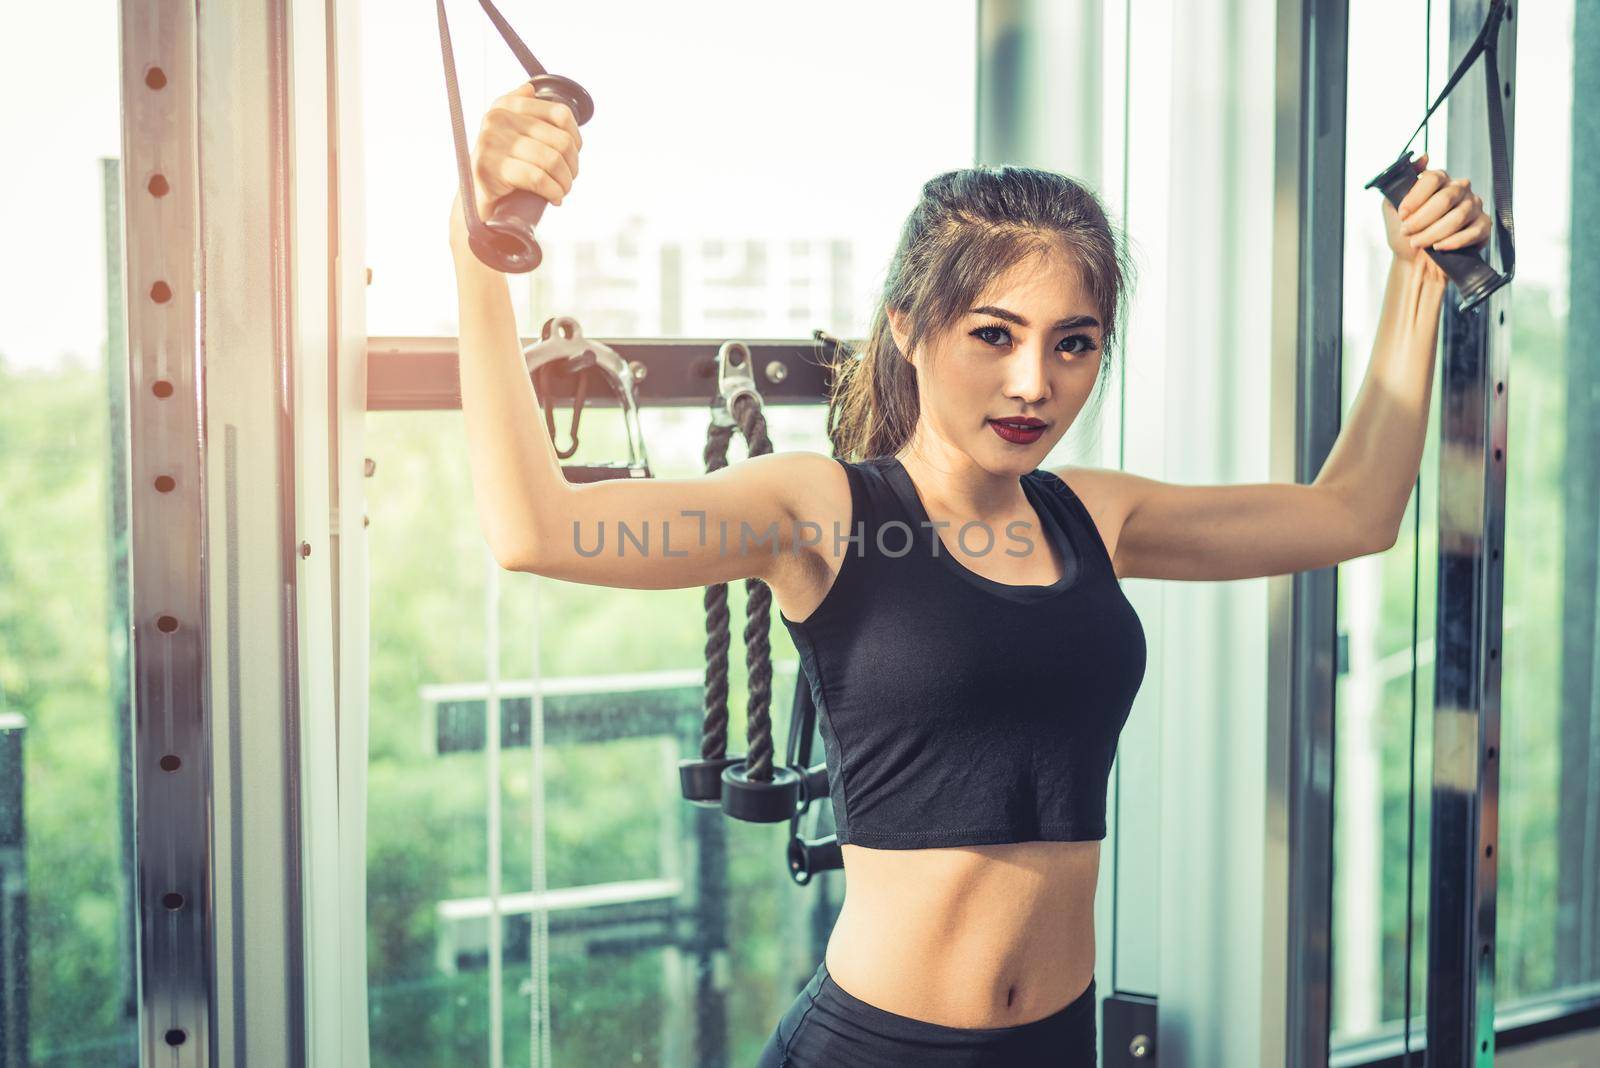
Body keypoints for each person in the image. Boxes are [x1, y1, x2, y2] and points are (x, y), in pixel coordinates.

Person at [448, 81, 1490, 1068]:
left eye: (1073, 346)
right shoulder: (822, 512)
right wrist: (477, 248)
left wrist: (1416, 278)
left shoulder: (1093, 515)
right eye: (993, 335)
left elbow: (1351, 514)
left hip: (1053, 1043)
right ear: (908, 326)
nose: (1034, 382)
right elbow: (540, 530)